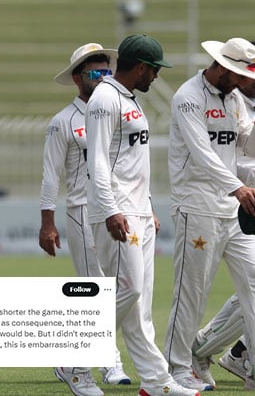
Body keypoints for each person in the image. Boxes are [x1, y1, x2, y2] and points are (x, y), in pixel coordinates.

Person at [163, 37, 255, 392]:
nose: (251, 82)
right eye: (245, 75)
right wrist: (238, 186)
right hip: (196, 206)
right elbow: (202, 155)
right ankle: (177, 367)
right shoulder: (188, 98)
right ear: (224, 67)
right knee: (192, 292)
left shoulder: (233, 99)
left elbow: (250, 148)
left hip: (233, 210)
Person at [85, 34, 199, 396]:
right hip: (117, 211)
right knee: (129, 290)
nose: (156, 78)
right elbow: (99, 160)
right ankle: (73, 354)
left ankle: (156, 380)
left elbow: (134, 163)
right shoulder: (104, 98)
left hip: (138, 212)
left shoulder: (129, 100)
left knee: (141, 305)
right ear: (140, 67)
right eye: (154, 70)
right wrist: (110, 209)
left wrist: (148, 206)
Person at [39, 43, 132, 395]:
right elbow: (51, 176)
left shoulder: (116, 112)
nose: (103, 78)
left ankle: (73, 357)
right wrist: (47, 222)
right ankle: (108, 362)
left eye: (107, 71)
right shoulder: (63, 122)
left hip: (116, 208)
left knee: (124, 285)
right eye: (95, 73)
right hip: (80, 209)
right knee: (95, 286)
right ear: (78, 78)